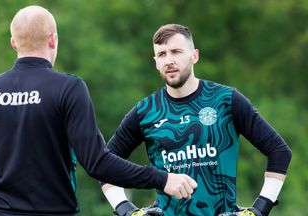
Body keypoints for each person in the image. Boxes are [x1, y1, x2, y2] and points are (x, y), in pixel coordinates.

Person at [0, 7, 197, 216]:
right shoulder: (68, 88)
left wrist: (8, 150)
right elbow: (97, 163)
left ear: (14, 42)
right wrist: (163, 178)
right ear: (53, 39)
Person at [101, 24, 292, 216]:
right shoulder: (145, 111)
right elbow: (104, 164)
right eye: (162, 54)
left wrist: (260, 208)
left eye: (176, 52)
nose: (169, 60)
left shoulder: (226, 100)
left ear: (195, 56)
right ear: (156, 62)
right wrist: (127, 210)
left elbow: (279, 151)